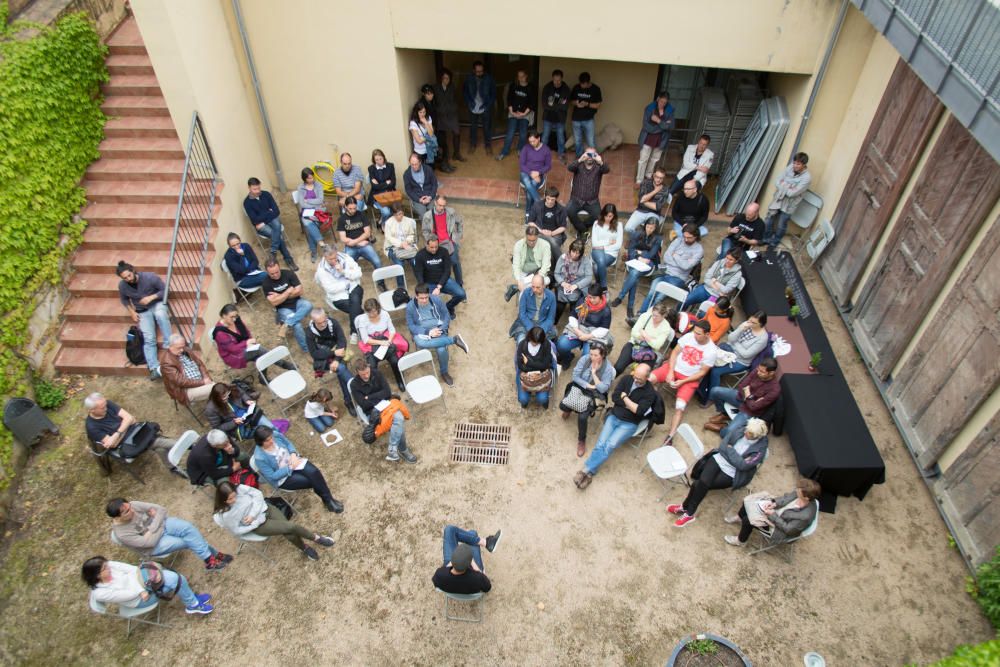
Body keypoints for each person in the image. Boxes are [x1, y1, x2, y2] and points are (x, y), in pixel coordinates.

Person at [667, 417, 769, 528]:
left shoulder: (760, 449)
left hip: (732, 473)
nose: (745, 432)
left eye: (748, 433)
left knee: (699, 484)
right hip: (719, 459)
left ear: (756, 435)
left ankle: (686, 509)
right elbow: (722, 446)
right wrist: (735, 457)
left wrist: (730, 450)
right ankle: (688, 512)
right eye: (746, 429)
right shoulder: (743, 428)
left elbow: (742, 466)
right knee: (702, 483)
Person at [573, 363, 657, 490]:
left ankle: (585, 470)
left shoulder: (650, 393)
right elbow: (614, 397)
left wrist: (624, 398)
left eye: (639, 379)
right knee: (600, 443)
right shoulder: (627, 379)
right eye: (635, 376)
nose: (635, 380)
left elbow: (638, 411)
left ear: (647, 377)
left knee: (609, 446)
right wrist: (630, 405)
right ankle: (590, 473)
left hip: (629, 424)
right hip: (614, 416)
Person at [214, 481, 336, 561]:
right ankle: (317, 538)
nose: (234, 499)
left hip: (267, 509)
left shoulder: (240, 488)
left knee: (288, 532)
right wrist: (255, 522)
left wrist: (252, 514)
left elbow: (257, 495)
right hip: (260, 525)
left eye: (234, 495)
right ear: (223, 500)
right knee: (291, 527)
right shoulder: (226, 514)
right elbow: (237, 531)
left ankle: (304, 547)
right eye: (230, 499)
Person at [106, 497, 232, 569]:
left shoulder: (133, 505)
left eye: (130, 507)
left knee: (188, 528)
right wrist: (157, 521)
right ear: (118, 517)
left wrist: (152, 528)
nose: (132, 510)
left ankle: (209, 559)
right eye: (127, 512)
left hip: (160, 527)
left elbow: (161, 509)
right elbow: (148, 543)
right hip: (154, 546)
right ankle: (213, 556)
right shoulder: (122, 534)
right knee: (187, 540)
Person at [651, 320, 719, 445]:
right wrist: (671, 371)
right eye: (695, 332)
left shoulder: (711, 351)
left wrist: (683, 381)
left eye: (698, 334)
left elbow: (702, 373)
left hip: (689, 378)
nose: (695, 336)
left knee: (680, 406)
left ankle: (670, 436)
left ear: (707, 334)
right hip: (674, 368)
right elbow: (675, 352)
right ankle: (649, 404)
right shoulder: (689, 336)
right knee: (650, 379)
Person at [84, 392, 182, 477]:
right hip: (125, 445)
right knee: (155, 441)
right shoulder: (92, 427)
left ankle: (173, 467)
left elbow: (130, 418)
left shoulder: (107, 403)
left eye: (105, 405)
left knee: (157, 445)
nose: (106, 408)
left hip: (134, 431)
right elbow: (113, 444)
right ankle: (189, 445)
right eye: (102, 408)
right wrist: (126, 425)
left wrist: (117, 433)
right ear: (92, 410)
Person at [252, 425, 344, 513]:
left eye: (271, 437)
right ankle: (328, 501)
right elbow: (273, 476)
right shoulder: (260, 458)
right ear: (260, 442)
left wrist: (293, 454)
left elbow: (288, 443)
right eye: (268, 440)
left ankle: (329, 500)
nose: (272, 441)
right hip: (283, 477)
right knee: (311, 481)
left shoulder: (275, 434)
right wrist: (290, 467)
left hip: (293, 460)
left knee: (314, 472)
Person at [82, 556, 214, 616]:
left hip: (143, 581)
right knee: (176, 579)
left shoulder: (109, 566)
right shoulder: (101, 593)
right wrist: (142, 588)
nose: (109, 567)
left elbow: (132, 569)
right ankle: (192, 604)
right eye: (105, 568)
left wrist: (144, 581)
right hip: (140, 599)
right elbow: (127, 595)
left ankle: (191, 600)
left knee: (176, 578)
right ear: (97, 575)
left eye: (107, 565)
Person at [349, 357, 418, 463]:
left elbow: (387, 392)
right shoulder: (354, 384)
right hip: (373, 412)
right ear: (357, 372)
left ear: (369, 367)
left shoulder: (377, 373)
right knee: (399, 424)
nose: (366, 376)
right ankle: (402, 450)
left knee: (398, 420)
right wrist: (377, 397)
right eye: (363, 375)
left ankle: (393, 450)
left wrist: (369, 397)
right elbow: (363, 405)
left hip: (387, 405)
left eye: (367, 372)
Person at [696, 311, 769, 404]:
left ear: (761, 324)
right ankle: (702, 391)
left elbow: (746, 354)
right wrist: (740, 329)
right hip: (728, 351)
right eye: (750, 320)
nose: (750, 323)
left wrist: (735, 345)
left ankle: (712, 397)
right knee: (710, 363)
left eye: (754, 323)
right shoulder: (746, 325)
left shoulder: (762, 338)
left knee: (716, 371)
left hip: (740, 361)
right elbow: (730, 338)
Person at [405, 283, 470, 387]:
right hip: (424, 331)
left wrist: (441, 329)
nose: (425, 300)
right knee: (419, 341)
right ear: (416, 296)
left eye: (426, 297)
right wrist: (428, 332)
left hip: (438, 328)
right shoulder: (410, 306)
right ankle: (454, 340)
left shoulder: (436, 299)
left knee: (441, 350)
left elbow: (446, 315)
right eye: (421, 298)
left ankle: (444, 372)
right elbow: (411, 326)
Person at [724, 478, 821, 547]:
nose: (796, 490)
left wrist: (772, 515)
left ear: (806, 498)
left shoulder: (805, 517)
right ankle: (739, 517)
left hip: (777, 529)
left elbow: (788, 529)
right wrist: (774, 503)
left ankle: (740, 541)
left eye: (799, 491)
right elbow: (785, 498)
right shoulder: (800, 492)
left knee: (747, 520)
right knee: (750, 501)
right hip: (776, 513)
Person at [116, 261, 171, 380]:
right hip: (142, 310)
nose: (128, 279)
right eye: (125, 278)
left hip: (157, 304)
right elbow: (124, 300)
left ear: (133, 271)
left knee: (161, 315)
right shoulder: (122, 286)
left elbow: (165, 290)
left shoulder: (150, 277)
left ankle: (169, 344)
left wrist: (151, 297)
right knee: (148, 337)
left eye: (129, 276)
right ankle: (153, 368)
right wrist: (131, 312)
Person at [561, 344, 616, 457]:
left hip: (594, 394)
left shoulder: (608, 369)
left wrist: (594, 374)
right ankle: (570, 408)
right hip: (581, 386)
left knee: (582, 416)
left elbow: (603, 388)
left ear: (603, 355)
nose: (592, 357)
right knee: (563, 405)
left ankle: (582, 440)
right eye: (591, 354)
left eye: (596, 355)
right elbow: (575, 376)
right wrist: (587, 385)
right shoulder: (585, 359)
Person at [705, 357, 780, 437]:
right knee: (715, 391)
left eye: (762, 372)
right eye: (758, 369)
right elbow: (742, 386)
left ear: (771, 373)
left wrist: (748, 395)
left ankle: (722, 427)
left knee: (728, 433)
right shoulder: (757, 371)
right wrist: (751, 399)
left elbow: (754, 407)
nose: (758, 372)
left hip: (749, 411)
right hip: (740, 397)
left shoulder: (775, 389)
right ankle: (724, 414)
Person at [212, 304, 292, 376]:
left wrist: (250, 342)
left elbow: (246, 331)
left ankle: (263, 379)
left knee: (261, 354)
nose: (234, 319)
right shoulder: (220, 333)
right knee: (259, 351)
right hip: (233, 356)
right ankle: (283, 364)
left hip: (244, 347)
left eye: (235, 316)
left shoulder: (236, 320)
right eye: (231, 317)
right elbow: (233, 349)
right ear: (223, 316)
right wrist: (246, 343)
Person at [640, 224, 704, 313]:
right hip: (664, 270)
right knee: (652, 292)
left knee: (660, 296)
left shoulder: (698, 250)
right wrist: (681, 261)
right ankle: (641, 314)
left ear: (696, 236)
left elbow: (686, 267)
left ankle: (648, 316)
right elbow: (666, 257)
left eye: (689, 238)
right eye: (684, 236)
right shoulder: (678, 240)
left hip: (678, 277)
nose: (685, 239)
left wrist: (675, 255)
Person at [304, 308, 356, 416]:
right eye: (320, 323)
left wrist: (336, 359)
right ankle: (355, 388)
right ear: (313, 321)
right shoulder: (309, 333)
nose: (323, 324)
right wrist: (333, 353)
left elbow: (342, 341)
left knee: (340, 369)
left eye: (325, 320)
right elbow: (314, 354)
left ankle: (348, 401)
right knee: (341, 369)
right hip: (324, 357)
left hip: (338, 353)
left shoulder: (333, 323)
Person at [354, 298, 409, 390]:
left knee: (395, 361)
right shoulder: (363, 319)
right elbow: (365, 339)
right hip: (372, 343)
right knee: (372, 366)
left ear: (378, 309)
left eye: (374, 312)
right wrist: (381, 343)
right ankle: (377, 386)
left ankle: (400, 380)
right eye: (369, 313)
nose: (372, 315)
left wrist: (389, 341)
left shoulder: (384, 314)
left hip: (386, 338)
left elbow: (392, 330)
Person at [243, 177, 297, 270]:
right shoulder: (247, 203)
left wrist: (263, 218)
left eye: (258, 188)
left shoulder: (266, 194)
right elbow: (254, 220)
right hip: (262, 225)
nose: (257, 191)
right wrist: (269, 212)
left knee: (276, 227)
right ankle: (289, 259)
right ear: (249, 188)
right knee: (278, 235)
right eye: (254, 189)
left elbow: (276, 211)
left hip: (269, 221)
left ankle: (273, 252)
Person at [613, 217, 662, 318]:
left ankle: (620, 297)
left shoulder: (657, 239)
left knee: (634, 273)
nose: (649, 229)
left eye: (652, 228)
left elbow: (651, 255)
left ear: (655, 228)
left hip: (649, 263)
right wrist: (639, 256)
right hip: (635, 261)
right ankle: (630, 306)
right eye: (647, 227)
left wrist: (639, 252)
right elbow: (631, 250)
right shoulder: (637, 233)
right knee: (634, 274)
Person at [262, 257, 313, 353]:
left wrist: (279, 296)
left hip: (297, 302)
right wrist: (287, 292)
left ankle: (287, 323)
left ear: (279, 267)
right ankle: (307, 350)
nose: (275, 275)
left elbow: (300, 291)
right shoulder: (266, 283)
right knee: (297, 325)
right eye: (272, 274)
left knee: (308, 304)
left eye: (277, 272)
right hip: (283, 308)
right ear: (267, 272)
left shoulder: (288, 274)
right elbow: (274, 303)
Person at [431, 525, 501, 595]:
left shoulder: (440, 575)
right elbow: (487, 588)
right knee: (473, 533)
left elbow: (436, 583)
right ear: (469, 566)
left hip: (451, 575)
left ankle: (485, 542)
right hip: (470, 578)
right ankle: (486, 542)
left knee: (450, 530)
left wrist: (454, 560)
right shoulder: (477, 578)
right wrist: (473, 563)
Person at [612, 301, 675, 376]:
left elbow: (657, 345)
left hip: (650, 352)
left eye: (657, 316)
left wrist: (644, 334)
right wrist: (650, 339)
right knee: (618, 367)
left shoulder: (666, 327)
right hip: (634, 344)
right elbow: (634, 333)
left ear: (664, 315)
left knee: (641, 374)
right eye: (653, 314)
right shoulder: (645, 316)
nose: (653, 318)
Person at [556, 283, 611, 369]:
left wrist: (587, 336)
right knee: (561, 344)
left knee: (588, 355)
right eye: (589, 297)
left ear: (600, 296)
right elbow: (573, 315)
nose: (591, 300)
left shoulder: (606, 310)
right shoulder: (583, 301)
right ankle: (567, 358)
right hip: (578, 329)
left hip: (593, 335)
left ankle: (582, 368)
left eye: (594, 298)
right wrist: (577, 331)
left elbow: (604, 329)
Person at [315, 242, 364, 338]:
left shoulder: (345, 258)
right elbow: (330, 289)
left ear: (337, 253)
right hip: (338, 296)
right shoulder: (321, 270)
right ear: (325, 257)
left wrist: (343, 271)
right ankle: (363, 321)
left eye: (335, 257)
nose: (334, 261)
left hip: (353, 287)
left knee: (355, 303)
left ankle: (353, 332)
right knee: (356, 308)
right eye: (330, 259)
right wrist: (346, 283)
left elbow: (358, 273)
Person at [764, 152, 812, 249]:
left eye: (798, 164)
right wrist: (788, 186)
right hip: (778, 199)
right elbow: (777, 181)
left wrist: (784, 183)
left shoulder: (807, 178)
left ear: (804, 165)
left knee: (782, 224)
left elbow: (792, 193)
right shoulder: (790, 167)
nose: (795, 166)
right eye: (794, 163)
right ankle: (766, 238)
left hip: (790, 204)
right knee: (769, 219)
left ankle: (775, 242)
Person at [414, 234, 466, 319]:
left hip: (444, 281)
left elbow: (447, 271)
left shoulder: (444, 251)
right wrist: (423, 288)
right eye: (431, 247)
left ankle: (448, 307)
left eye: (436, 247)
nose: (434, 249)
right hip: (428, 283)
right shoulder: (420, 255)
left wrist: (439, 286)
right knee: (425, 301)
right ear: (426, 245)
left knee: (461, 294)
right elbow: (418, 273)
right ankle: (435, 313)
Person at [337, 197, 385, 290]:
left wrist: (355, 242)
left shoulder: (361, 215)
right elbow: (343, 238)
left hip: (363, 244)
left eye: (354, 208)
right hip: (352, 246)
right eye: (350, 208)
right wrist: (358, 243)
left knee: (378, 262)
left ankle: (381, 283)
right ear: (346, 207)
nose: (353, 210)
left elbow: (367, 232)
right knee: (345, 266)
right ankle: (350, 286)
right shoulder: (342, 219)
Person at [204, 382, 274, 443]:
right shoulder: (211, 410)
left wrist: (247, 400)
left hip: (250, 414)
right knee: (266, 433)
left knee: (271, 428)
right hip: (238, 427)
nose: (227, 397)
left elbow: (242, 393)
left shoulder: (231, 388)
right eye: (224, 397)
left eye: (228, 394)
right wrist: (234, 423)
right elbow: (218, 427)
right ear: (217, 398)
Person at [420, 193, 465, 287]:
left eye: (444, 205)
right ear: (435, 203)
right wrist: (431, 241)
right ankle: (439, 284)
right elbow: (424, 231)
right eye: (440, 205)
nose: (442, 207)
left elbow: (460, 221)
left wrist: (459, 235)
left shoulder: (451, 212)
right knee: (437, 265)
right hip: (437, 244)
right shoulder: (427, 216)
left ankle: (459, 283)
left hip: (449, 242)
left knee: (455, 262)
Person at [566, 147, 610, 238]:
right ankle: (584, 231)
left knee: (598, 216)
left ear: (596, 156)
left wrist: (601, 162)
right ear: (584, 154)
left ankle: (582, 227)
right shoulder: (578, 165)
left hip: (592, 201)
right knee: (568, 211)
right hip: (576, 199)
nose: (590, 157)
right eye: (588, 154)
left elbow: (607, 170)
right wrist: (579, 160)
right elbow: (569, 168)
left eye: (593, 155)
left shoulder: (599, 167)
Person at [159, 334, 214, 406]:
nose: (182, 350)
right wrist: (203, 382)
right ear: (170, 346)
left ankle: (215, 408)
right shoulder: (166, 362)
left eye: (183, 346)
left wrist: (205, 376)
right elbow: (181, 382)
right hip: (185, 390)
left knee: (218, 389)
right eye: (178, 348)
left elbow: (199, 363)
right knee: (217, 389)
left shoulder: (185, 350)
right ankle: (215, 411)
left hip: (200, 380)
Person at [497, 69, 537, 161]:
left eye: (522, 76)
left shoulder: (531, 88)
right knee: (510, 133)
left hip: (525, 114)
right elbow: (509, 99)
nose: (520, 78)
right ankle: (504, 152)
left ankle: (520, 149)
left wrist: (523, 113)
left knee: (523, 134)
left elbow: (532, 103)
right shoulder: (514, 86)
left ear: (526, 76)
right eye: (518, 76)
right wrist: (512, 112)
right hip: (513, 112)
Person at [635, 92, 675, 186]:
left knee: (654, 159)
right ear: (658, 99)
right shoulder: (649, 108)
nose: (662, 104)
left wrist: (658, 121)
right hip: (647, 138)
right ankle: (639, 180)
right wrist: (663, 126)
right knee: (643, 160)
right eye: (661, 101)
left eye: (665, 102)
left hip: (661, 139)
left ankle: (648, 176)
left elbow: (671, 126)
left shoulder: (670, 110)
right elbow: (646, 126)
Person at [515, 326, 558, 410]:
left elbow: (546, 365)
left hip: (541, 378)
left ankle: (545, 403)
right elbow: (520, 366)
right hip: (526, 377)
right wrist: (539, 367)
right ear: (529, 336)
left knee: (542, 399)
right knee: (522, 399)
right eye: (532, 341)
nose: (534, 344)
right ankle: (525, 404)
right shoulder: (522, 345)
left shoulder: (546, 345)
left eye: (537, 342)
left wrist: (528, 363)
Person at [505, 226, 552, 301]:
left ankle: (515, 287)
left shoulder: (545, 245)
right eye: (529, 240)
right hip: (523, 272)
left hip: (538, 272)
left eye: (534, 240)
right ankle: (522, 307)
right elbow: (516, 265)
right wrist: (519, 281)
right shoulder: (518, 245)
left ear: (537, 237)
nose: (531, 242)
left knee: (546, 281)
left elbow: (546, 265)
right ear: (525, 236)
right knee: (523, 291)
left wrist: (537, 279)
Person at [553, 239, 593, 323]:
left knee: (575, 307)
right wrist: (562, 282)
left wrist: (576, 285)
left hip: (577, 286)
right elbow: (556, 273)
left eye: (577, 253)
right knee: (559, 306)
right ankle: (554, 324)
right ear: (570, 250)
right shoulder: (563, 258)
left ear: (581, 254)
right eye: (573, 251)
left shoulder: (585, 261)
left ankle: (573, 326)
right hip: (563, 284)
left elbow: (589, 277)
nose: (574, 255)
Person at [510, 274, 557, 343]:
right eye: (533, 287)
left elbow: (550, 318)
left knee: (546, 340)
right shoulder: (526, 293)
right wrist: (531, 328)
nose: (535, 290)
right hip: (527, 322)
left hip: (542, 323)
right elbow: (522, 314)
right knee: (521, 341)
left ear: (544, 286)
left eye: (538, 287)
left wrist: (541, 330)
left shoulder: (551, 296)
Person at [462, 60, 496, 155]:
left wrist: (488, 104)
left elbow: (493, 93)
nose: (480, 73)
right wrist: (469, 102)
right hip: (473, 106)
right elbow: (464, 91)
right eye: (478, 71)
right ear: (473, 70)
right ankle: (473, 144)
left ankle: (488, 145)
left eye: (481, 71)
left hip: (485, 106)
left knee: (486, 127)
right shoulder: (469, 78)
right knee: (473, 127)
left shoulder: (489, 78)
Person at [294, 167, 327, 262]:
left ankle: (314, 252)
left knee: (309, 227)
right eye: (309, 178)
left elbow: (320, 200)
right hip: (306, 212)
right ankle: (321, 243)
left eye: (312, 177)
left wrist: (308, 200)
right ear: (304, 179)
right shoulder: (300, 187)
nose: (311, 180)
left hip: (319, 211)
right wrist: (313, 203)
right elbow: (302, 203)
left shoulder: (318, 185)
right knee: (309, 224)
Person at [420, 84, 454, 173]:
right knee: (441, 146)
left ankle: (445, 164)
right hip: (430, 131)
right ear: (423, 94)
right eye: (428, 94)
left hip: (436, 127)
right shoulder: (422, 104)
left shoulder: (432, 101)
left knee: (444, 145)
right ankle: (443, 165)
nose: (430, 95)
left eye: (431, 93)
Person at [625, 167, 670, 235]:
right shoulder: (645, 183)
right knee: (627, 228)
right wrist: (655, 191)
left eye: (661, 178)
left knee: (650, 232)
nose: (658, 180)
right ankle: (640, 237)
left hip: (654, 213)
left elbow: (657, 207)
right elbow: (641, 199)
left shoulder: (665, 189)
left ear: (663, 178)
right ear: (653, 175)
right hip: (641, 211)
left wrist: (644, 201)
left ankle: (643, 238)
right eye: (657, 177)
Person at [526, 186, 567, 258]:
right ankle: (561, 260)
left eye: (552, 199)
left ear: (556, 199)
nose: (550, 201)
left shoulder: (561, 209)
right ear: (545, 196)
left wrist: (552, 233)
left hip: (555, 234)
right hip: (539, 232)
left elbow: (563, 227)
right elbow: (530, 221)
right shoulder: (537, 205)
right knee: (552, 244)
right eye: (548, 199)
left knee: (550, 246)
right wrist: (541, 231)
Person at [540, 68, 570, 163]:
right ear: (552, 78)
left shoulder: (566, 89)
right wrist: (558, 105)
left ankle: (561, 155)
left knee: (560, 137)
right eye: (555, 80)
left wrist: (552, 105)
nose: (556, 82)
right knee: (545, 137)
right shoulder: (547, 87)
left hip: (560, 118)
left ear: (562, 79)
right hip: (548, 117)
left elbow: (565, 106)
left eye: (558, 80)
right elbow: (544, 105)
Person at [570, 72, 602, 158]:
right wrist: (576, 103)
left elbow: (598, 105)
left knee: (590, 141)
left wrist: (587, 104)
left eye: (583, 85)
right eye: (580, 84)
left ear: (588, 83)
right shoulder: (576, 87)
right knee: (577, 141)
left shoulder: (595, 89)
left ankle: (593, 159)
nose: (581, 86)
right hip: (576, 119)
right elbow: (571, 101)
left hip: (588, 120)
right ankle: (579, 158)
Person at [383, 202, 419, 281]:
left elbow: (412, 234)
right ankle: (401, 286)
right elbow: (388, 237)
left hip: (407, 245)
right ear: (393, 214)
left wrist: (407, 241)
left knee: (416, 262)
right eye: (397, 214)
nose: (400, 216)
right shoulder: (388, 223)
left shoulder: (409, 221)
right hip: (393, 247)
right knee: (399, 265)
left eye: (401, 213)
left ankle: (421, 281)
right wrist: (401, 244)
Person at [434, 68, 463, 163]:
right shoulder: (436, 88)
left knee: (457, 133)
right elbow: (434, 102)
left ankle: (456, 154)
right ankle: (445, 156)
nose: (446, 80)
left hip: (452, 114)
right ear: (441, 78)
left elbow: (457, 99)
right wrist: (439, 110)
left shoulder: (453, 87)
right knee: (442, 136)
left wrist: (454, 108)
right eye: (444, 78)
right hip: (441, 115)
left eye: (448, 78)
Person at [590, 204, 623, 289]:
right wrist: (608, 242)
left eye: (610, 216)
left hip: (611, 253)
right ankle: (604, 287)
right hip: (596, 251)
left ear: (614, 215)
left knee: (596, 266)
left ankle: (598, 284)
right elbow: (594, 243)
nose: (607, 218)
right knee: (600, 259)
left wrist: (602, 247)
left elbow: (618, 245)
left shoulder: (619, 225)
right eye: (606, 216)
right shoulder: (596, 224)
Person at [518, 130, 551, 208]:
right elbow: (521, 164)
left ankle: (528, 213)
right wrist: (531, 173)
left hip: (538, 175)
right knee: (527, 181)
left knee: (529, 193)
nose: (532, 143)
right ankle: (540, 204)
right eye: (530, 142)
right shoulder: (526, 148)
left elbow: (548, 166)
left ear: (539, 138)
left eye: (534, 141)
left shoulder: (546, 150)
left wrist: (538, 173)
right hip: (525, 173)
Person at [368, 149, 399, 225]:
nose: (379, 161)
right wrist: (386, 183)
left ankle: (382, 220)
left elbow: (393, 183)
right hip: (377, 195)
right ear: (374, 160)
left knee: (396, 209)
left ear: (384, 158)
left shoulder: (390, 166)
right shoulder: (371, 168)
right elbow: (374, 187)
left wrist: (379, 185)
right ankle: (384, 225)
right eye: (376, 160)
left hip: (390, 193)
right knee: (386, 212)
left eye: (380, 159)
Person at [403, 153, 438, 219]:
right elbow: (408, 190)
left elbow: (434, 184)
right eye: (412, 164)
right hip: (417, 198)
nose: (414, 166)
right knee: (424, 215)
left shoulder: (428, 169)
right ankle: (427, 229)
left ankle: (434, 228)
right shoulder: (407, 174)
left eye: (415, 164)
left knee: (433, 211)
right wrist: (419, 200)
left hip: (430, 196)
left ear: (420, 162)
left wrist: (430, 197)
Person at [408, 99, 437, 166]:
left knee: (430, 170)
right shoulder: (413, 123)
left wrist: (426, 123)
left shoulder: (428, 118)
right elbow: (419, 141)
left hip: (429, 150)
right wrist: (428, 137)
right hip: (420, 152)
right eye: (420, 112)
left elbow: (431, 134)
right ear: (416, 112)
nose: (422, 114)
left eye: (424, 112)